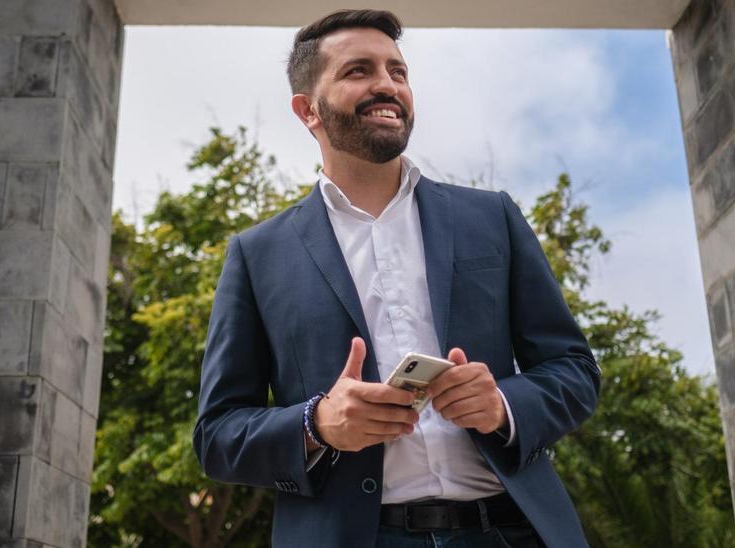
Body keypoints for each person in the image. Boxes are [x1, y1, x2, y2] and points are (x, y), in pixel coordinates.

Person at [193, 9, 600, 547]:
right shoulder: (256, 255)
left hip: (511, 531)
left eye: (398, 71)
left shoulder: (492, 218)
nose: (387, 85)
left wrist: (503, 404)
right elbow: (218, 435)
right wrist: (318, 425)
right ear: (307, 110)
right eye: (358, 71)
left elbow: (575, 371)